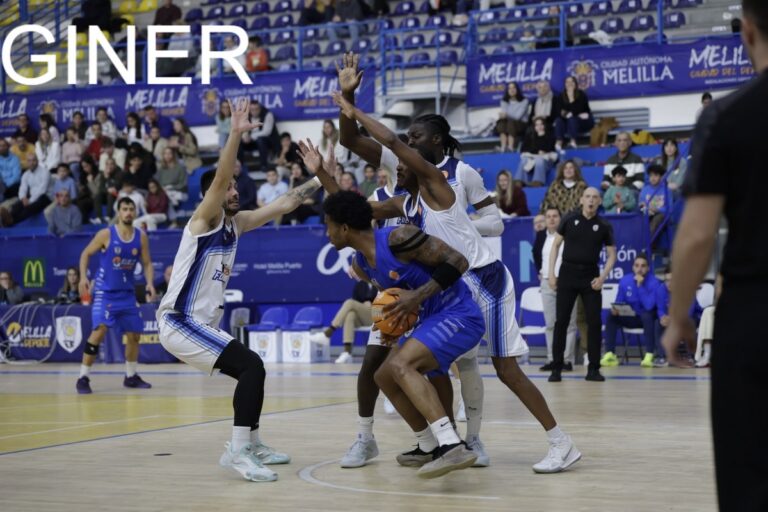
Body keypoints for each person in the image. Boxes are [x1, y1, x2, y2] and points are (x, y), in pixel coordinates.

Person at [323, 69, 580, 474]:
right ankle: (445, 442)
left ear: (436, 143)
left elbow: (388, 140)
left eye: (416, 139)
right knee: (432, 365)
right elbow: (352, 168)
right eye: (407, 141)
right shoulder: (405, 202)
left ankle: (558, 442)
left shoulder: (439, 179)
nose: (407, 146)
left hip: (482, 278)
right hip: (449, 285)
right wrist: (327, 161)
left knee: (504, 368)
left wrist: (351, 105)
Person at [157, 98, 323, 482]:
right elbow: (218, 178)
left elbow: (285, 201)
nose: (234, 191)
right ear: (214, 195)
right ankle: (238, 450)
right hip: (178, 321)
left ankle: (252, 441)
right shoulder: (204, 219)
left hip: (199, 324)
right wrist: (234, 133)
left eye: (235, 186)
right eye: (229, 187)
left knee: (254, 372)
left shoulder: (239, 222)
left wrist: (319, 178)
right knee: (252, 366)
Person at [661, 5, 768, 507]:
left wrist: (678, 317)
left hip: (754, 316)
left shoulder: (724, 116)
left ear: (746, 30)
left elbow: (697, 235)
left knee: (748, 474)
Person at [323, 190, 484, 477]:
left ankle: (452, 445)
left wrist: (417, 297)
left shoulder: (399, 237)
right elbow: (393, 299)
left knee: (401, 365)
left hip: (460, 314)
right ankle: (428, 446)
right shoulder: (361, 265)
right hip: (430, 320)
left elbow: (458, 261)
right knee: (383, 375)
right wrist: (388, 325)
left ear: (345, 228)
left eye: (328, 226)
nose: (327, 233)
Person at [75, 197, 156, 394]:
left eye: (131, 209)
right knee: (99, 330)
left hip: (127, 294)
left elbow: (146, 263)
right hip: (105, 292)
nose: (128, 212)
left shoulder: (141, 236)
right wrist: (83, 278)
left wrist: (150, 283)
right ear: (118, 213)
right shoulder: (106, 234)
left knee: (134, 336)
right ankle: (83, 378)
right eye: (125, 209)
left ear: (135, 212)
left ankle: (130, 377)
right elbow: (85, 254)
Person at [547, 187, 617, 382]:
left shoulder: (603, 225)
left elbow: (612, 255)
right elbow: (555, 246)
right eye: (587, 197)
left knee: (594, 322)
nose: (591, 200)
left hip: (591, 277)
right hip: (568, 274)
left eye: (595, 197)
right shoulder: (569, 219)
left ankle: (593, 368)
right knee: (561, 322)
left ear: (600, 201)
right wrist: (551, 273)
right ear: (581, 199)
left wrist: (602, 277)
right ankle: (557, 368)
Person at [534, 207, 577, 371]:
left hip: (567, 283)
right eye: (548, 216)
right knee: (550, 323)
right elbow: (536, 254)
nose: (552, 219)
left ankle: (566, 360)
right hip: (546, 283)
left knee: (569, 324)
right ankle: (553, 359)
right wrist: (540, 271)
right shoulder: (540, 236)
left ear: (561, 218)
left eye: (555, 216)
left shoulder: (569, 235)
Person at [601, 255, 661, 368]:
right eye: (637, 265)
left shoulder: (654, 283)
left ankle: (649, 355)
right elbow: (619, 301)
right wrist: (616, 309)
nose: (640, 269)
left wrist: (640, 286)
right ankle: (610, 354)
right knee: (611, 315)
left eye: (643, 266)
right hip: (631, 317)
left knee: (646, 315)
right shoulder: (625, 280)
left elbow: (649, 306)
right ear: (633, 267)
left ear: (648, 268)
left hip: (647, 319)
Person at [311, 277, 378, 364]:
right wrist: (363, 305)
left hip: (376, 314)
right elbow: (356, 302)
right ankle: (347, 352)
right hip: (363, 316)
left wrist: (371, 303)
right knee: (350, 315)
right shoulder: (360, 285)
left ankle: (328, 332)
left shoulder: (379, 282)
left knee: (349, 302)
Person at [654, 268, 704, 368]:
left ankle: (690, 356)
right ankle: (662, 357)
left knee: (690, 322)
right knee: (657, 323)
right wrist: (662, 318)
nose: (669, 283)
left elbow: (689, 312)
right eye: (667, 280)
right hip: (671, 319)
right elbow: (660, 309)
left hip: (691, 317)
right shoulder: (660, 289)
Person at [0, 154, 51, 227]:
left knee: (29, 208)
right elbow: (23, 188)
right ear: (27, 162)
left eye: (34, 160)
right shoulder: (26, 174)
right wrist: (23, 198)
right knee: (16, 206)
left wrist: (30, 201)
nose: (32, 162)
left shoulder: (45, 172)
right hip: (32, 195)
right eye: (29, 161)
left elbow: (42, 190)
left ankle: (11, 222)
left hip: (46, 196)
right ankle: (7, 218)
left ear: (37, 161)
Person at [554, 76, 594, 150]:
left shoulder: (581, 95)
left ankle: (573, 141)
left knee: (572, 119)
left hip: (583, 122)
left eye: (572, 81)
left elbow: (581, 109)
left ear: (575, 83)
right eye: (567, 82)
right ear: (565, 84)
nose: (569, 84)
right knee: (559, 120)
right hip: (568, 123)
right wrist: (569, 114)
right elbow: (559, 111)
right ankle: (559, 142)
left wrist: (572, 99)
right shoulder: (561, 96)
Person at [515, 117, 557, 186]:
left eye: (541, 124)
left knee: (539, 160)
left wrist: (541, 137)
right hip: (532, 159)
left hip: (546, 160)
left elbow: (548, 148)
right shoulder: (529, 136)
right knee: (524, 160)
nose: (539, 127)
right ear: (534, 127)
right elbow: (524, 149)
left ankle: (538, 181)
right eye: (537, 125)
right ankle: (519, 181)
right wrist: (537, 151)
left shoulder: (550, 136)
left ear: (544, 125)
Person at [242, 100, 280, 173]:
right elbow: (245, 129)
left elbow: (266, 132)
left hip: (268, 141)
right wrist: (245, 137)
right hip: (253, 142)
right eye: (252, 109)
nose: (254, 111)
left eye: (256, 109)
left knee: (260, 140)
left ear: (260, 108)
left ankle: (264, 165)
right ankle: (240, 165)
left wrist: (251, 137)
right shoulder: (247, 116)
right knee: (239, 142)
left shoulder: (268, 114)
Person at [638, 164, 670, 240]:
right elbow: (640, 205)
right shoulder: (645, 190)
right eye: (651, 175)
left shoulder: (666, 190)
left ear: (661, 177)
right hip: (647, 213)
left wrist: (657, 209)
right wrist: (643, 207)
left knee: (656, 219)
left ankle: (647, 247)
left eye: (656, 175)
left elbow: (669, 209)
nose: (653, 178)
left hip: (661, 215)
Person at [496, 82, 529, 152]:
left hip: (521, 124)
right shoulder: (504, 101)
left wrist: (506, 115)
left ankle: (510, 147)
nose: (512, 90)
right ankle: (503, 147)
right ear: (507, 91)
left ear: (517, 89)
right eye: (509, 88)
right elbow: (504, 115)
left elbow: (517, 116)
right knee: (501, 122)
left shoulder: (524, 101)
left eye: (513, 88)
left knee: (511, 122)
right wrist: (503, 116)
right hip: (508, 123)